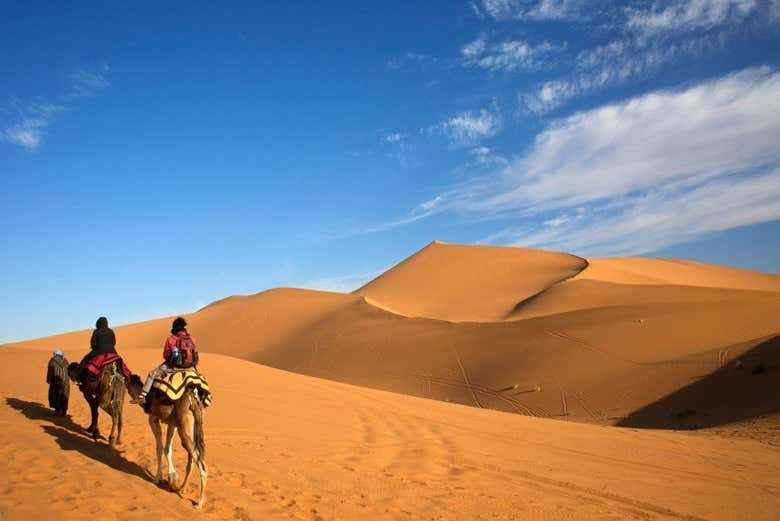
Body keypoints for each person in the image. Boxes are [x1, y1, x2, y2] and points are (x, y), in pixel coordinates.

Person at [131, 317, 199, 405]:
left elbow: (166, 355)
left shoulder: (171, 339)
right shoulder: (191, 339)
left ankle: (142, 396)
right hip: (190, 367)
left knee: (152, 374)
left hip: (174, 367)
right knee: (199, 378)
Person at [78, 316, 117, 382]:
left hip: (99, 351)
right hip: (112, 352)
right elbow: (114, 342)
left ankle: (79, 379)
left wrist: (95, 347)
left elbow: (92, 343)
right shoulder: (111, 331)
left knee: (85, 360)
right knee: (119, 363)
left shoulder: (96, 331)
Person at [47, 350, 70, 416]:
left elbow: (50, 371)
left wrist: (49, 380)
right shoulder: (65, 361)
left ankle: (57, 411)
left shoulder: (52, 361)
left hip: (56, 381)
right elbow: (68, 370)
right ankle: (64, 411)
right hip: (66, 381)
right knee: (65, 395)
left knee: (55, 395)